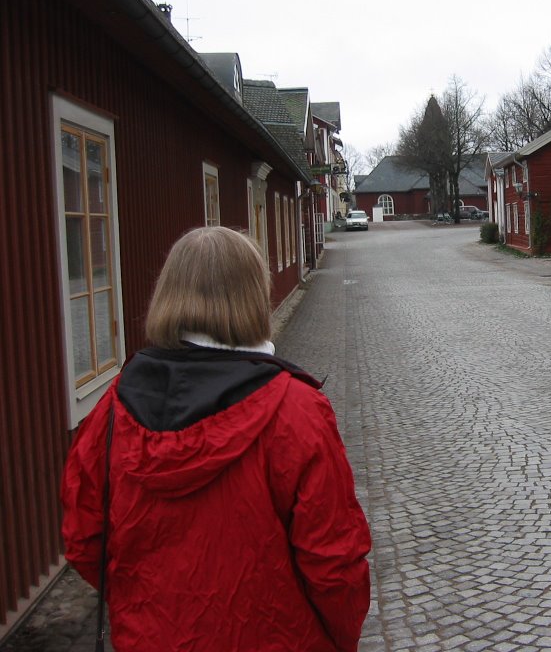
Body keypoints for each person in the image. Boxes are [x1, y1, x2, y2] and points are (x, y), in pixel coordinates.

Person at [61, 226, 371, 652]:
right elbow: (335, 561)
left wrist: (146, 604)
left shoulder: (112, 410)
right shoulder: (295, 409)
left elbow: (83, 540)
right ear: (253, 296)